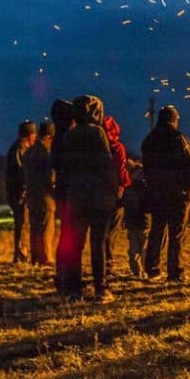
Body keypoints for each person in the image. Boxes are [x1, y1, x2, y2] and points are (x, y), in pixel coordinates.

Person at [62, 95, 119, 302]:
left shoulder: (70, 135)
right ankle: (101, 287)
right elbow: (106, 165)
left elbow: (65, 167)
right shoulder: (97, 133)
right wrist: (114, 191)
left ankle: (74, 289)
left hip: (77, 196)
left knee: (76, 245)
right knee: (98, 243)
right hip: (99, 198)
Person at [141, 106, 190, 283]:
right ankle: (175, 271)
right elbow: (187, 166)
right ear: (174, 119)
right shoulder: (178, 138)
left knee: (157, 230)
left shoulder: (149, 139)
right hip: (176, 194)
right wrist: (189, 189)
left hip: (156, 192)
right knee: (177, 233)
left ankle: (152, 267)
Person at [51, 99, 79, 294]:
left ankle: (63, 276)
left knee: (66, 237)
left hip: (63, 192)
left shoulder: (58, 139)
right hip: (70, 193)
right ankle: (68, 279)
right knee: (71, 238)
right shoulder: (67, 139)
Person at [23, 121, 57, 266]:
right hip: (45, 197)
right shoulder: (45, 153)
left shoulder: (29, 152)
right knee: (46, 229)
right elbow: (50, 176)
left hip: (31, 195)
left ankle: (35, 257)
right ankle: (46, 257)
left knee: (35, 228)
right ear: (49, 137)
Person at [102, 115, 132, 278]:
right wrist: (126, 183)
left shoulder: (96, 147)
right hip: (114, 194)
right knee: (111, 231)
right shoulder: (117, 148)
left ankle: (101, 262)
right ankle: (108, 262)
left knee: (100, 230)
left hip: (98, 193)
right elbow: (121, 170)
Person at [6, 120, 36, 264]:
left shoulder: (21, 148)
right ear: (29, 135)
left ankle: (21, 253)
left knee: (23, 223)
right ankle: (20, 254)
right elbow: (20, 172)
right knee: (22, 223)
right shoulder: (19, 149)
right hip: (19, 193)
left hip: (20, 192)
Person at [123, 159, 150, 279]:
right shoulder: (146, 187)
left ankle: (136, 270)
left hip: (131, 222)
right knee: (144, 248)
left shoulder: (128, 188)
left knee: (133, 248)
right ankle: (145, 270)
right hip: (144, 222)